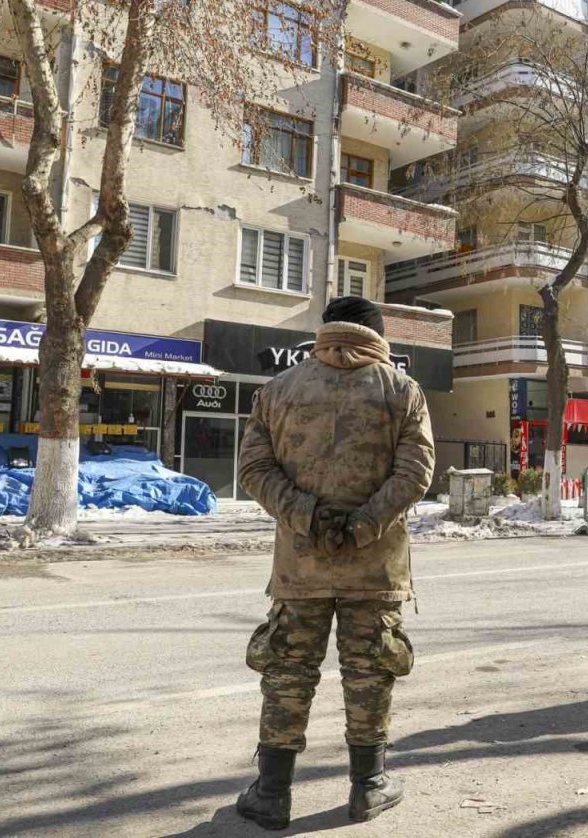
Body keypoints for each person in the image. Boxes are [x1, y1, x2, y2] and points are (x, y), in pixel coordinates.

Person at [235, 296, 435, 829]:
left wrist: (307, 515)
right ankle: (368, 787)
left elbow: (253, 467)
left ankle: (271, 794)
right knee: (369, 672)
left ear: (324, 333)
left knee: (288, 672)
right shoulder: (401, 390)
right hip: (375, 567)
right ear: (378, 334)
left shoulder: (278, 389)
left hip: (299, 567)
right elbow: (416, 472)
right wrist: (363, 524)